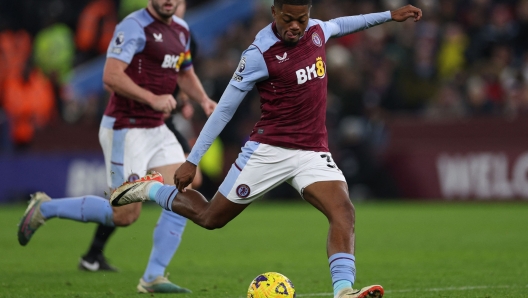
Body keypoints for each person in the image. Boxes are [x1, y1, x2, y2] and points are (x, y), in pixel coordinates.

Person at [109, 1, 422, 297]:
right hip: (267, 151)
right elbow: (224, 111)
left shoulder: (316, 30)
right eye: (288, 19)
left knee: (343, 212)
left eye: (302, 18)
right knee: (209, 217)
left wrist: (389, 15)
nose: (296, 26)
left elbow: (341, 24)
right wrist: (192, 160)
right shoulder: (259, 53)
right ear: (275, 12)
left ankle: (343, 291)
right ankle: (150, 190)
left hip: (311, 152)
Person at [18, 0, 216, 294]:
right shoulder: (133, 27)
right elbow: (110, 76)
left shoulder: (182, 30)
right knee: (124, 215)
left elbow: (184, 72)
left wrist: (203, 100)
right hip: (126, 127)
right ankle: (45, 208)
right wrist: (153, 99)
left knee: (182, 188)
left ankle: (153, 276)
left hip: (156, 128)